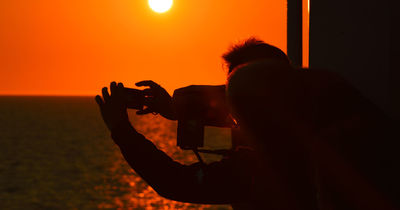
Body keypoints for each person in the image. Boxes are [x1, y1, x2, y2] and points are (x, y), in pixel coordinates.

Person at [96, 38, 399, 209]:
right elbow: (235, 137)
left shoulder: (257, 169)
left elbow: (175, 181)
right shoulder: (346, 131)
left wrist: (122, 131)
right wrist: (177, 111)